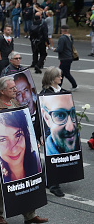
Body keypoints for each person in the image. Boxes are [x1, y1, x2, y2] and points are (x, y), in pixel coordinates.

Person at [0, 76, 48, 224]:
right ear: (2, 91)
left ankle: (30, 214)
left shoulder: (16, 103)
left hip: (20, 149)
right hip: (2, 154)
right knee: (1, 183)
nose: (15, 90)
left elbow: (25, 126)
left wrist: (34, 142)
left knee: (25, 180)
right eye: (12, 88)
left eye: (15, 88)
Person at [39, 66, 69, 197]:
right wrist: (40, 133)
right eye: (59, 76)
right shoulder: (44, 94)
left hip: (63, 129)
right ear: (52, 79)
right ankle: (54, 185)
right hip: (50, 130)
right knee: (54, 155)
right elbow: (39, 116)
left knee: (58, 155)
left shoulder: (63, 91)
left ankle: (46, 179)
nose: (61, 78)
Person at [0, 110, 42, 183]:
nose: (14, 149)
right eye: (3, 139)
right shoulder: (3, 179)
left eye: (18, 135)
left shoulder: (37, 165)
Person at [54, 25, 78, 90]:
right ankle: (59, 86)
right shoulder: (70, 37)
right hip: (69, 56)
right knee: (63, 72)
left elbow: (60, 49)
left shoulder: (62, 38)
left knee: (63, 73)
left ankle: (74, 85)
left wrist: (55, 49)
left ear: (61, 30)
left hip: (64, 57)